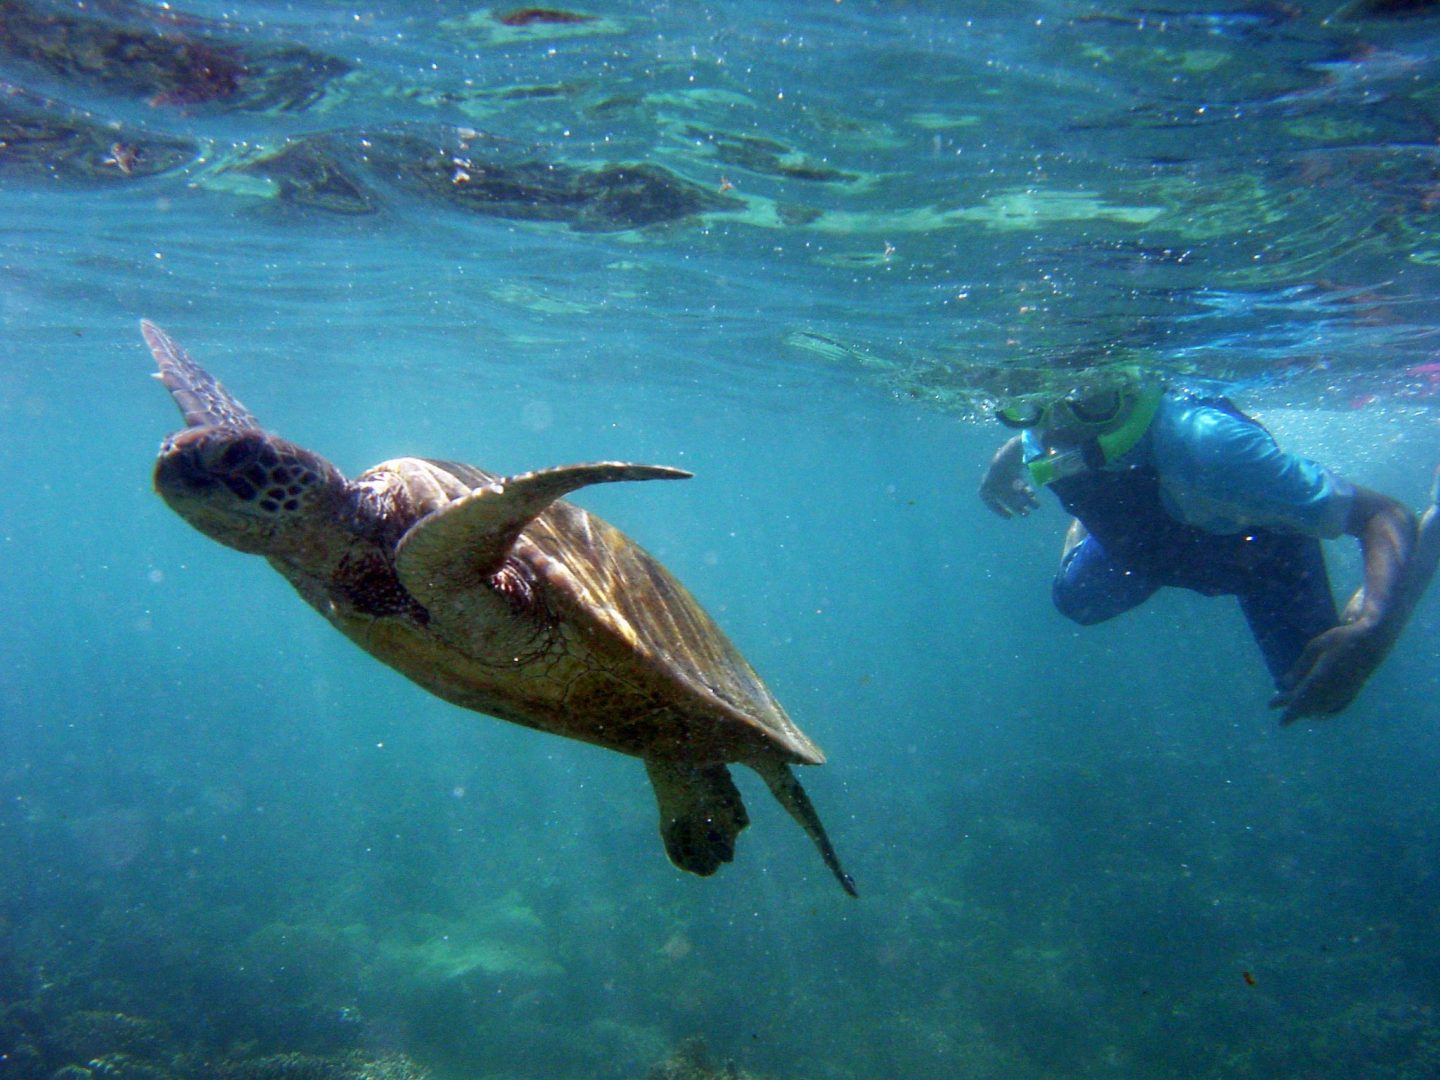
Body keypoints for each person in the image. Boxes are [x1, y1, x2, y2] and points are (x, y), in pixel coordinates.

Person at [978, 370, 1439, 723]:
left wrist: (1373, 631)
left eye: (1091, 404)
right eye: (1037, 408)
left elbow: (1383, 515)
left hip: (1260, 554)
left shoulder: (1208, 445)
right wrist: (1002, 467)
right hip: (1144, 549)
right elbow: (1041, 428)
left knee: (1323, 692)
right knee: (1074, 603)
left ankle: (1430, 541)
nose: (1060, 430)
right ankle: (1102, 523)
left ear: (1132, 393)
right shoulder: (1044, 429)